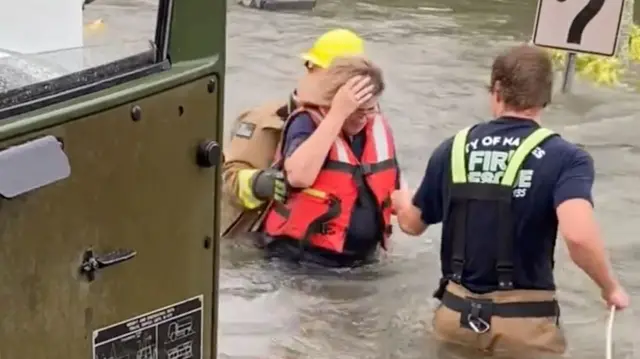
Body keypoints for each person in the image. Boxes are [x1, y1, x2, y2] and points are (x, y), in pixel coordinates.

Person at [391, 44, 630, 355]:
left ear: (497, 90)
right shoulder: (566, 157)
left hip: (454, 316)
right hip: (524, 328)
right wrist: (610, 288)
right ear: (546, 96)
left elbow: (411, 224)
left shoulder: (452, 148)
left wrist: (400, 201)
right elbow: (579, 236)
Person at [220, 29, 366, 239]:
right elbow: (226, 181)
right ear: (312, 69)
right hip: (259, 243)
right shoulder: (264, 123)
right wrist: (260, 183)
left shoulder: (363, 130)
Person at [259, 56, 401, 268]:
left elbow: (394, 189)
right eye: (356, 110)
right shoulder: (306, 122)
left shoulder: (376, 128)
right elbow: (298, 176)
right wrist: (338, 113)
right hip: (302, 261)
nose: (362, 118)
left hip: (363, 262)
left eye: (369, 110)